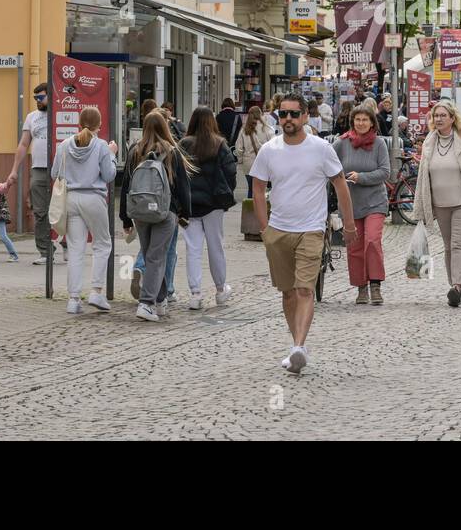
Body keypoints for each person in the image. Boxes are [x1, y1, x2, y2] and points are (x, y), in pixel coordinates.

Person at [249, 94, 355, 373]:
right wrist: (264, 228)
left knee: (305, 289)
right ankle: (296, 344)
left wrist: (350, 224)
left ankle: (298, 346)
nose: (288, 120)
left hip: (311, 228)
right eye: (283, 115)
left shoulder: (321, 149)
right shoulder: (269, 150)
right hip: (279, 231)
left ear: (306, 117)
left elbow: (341, 185)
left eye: (294, 115)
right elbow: (258, 188)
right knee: (287, 293)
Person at [411, 99, 461, 307]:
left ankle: (457, 286)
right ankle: (452, 285)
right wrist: (420, 206)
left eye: (442, 116)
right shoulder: (430, 141)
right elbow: (423, 176)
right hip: (440, 203)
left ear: (452, 118)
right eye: (435, 116)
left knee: (458, 243)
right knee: (448, 246)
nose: (438, 119)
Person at [119, 110, 193, 321]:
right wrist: (185, 213)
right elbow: (182, 187)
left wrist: (125, 217)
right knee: (156, 256)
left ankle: (160, 301)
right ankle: (146, 303)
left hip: (140, 213)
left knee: (152, 254)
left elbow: (126, 186)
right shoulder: (172, 151)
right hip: (164, 211)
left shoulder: (135, 151)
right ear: (165, 127)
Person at [51, 106, 119, 314]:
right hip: (94, 198)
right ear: (100, 125)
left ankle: (73, 299)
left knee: (76, 249)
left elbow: (55, 173)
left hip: (71, 199)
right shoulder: (101, 147)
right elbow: (108, 176)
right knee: (102, 244)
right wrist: (112, 154)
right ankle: (96, 292)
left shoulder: (64, 146)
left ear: (79, 124)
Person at [333, 104, 390, 305]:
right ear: (352, 122)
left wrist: (361, 177)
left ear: (372, 122)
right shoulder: (341, 143)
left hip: (375, 201)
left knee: (372, 241)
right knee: (354, 247)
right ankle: (361, 287)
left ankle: (375, 285)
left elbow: (385, 172)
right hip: (350, 203)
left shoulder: (379, 144)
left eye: (365, 120)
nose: (361, 123)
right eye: (358, 120)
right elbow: (327, 164)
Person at [181, 106, 237, 310]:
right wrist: (225, 192)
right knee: (216, 247)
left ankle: (195, 294)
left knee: (192, 248)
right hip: (214, 203)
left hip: (190, 204)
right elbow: (231, 172)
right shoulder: (219, 143)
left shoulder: (184, 144)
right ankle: (221, 289)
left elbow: (177, 174)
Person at [7, 82, 55, 266]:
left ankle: (67, 244)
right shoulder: (32, 117)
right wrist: (14, 170)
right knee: (41, 211)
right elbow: (23, 144)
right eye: (35, 98)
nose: (37, 101)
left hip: (60, 169)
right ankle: (45, 251)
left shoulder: (60, 114)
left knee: (64, 209)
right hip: (39, 168)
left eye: (41, 97)